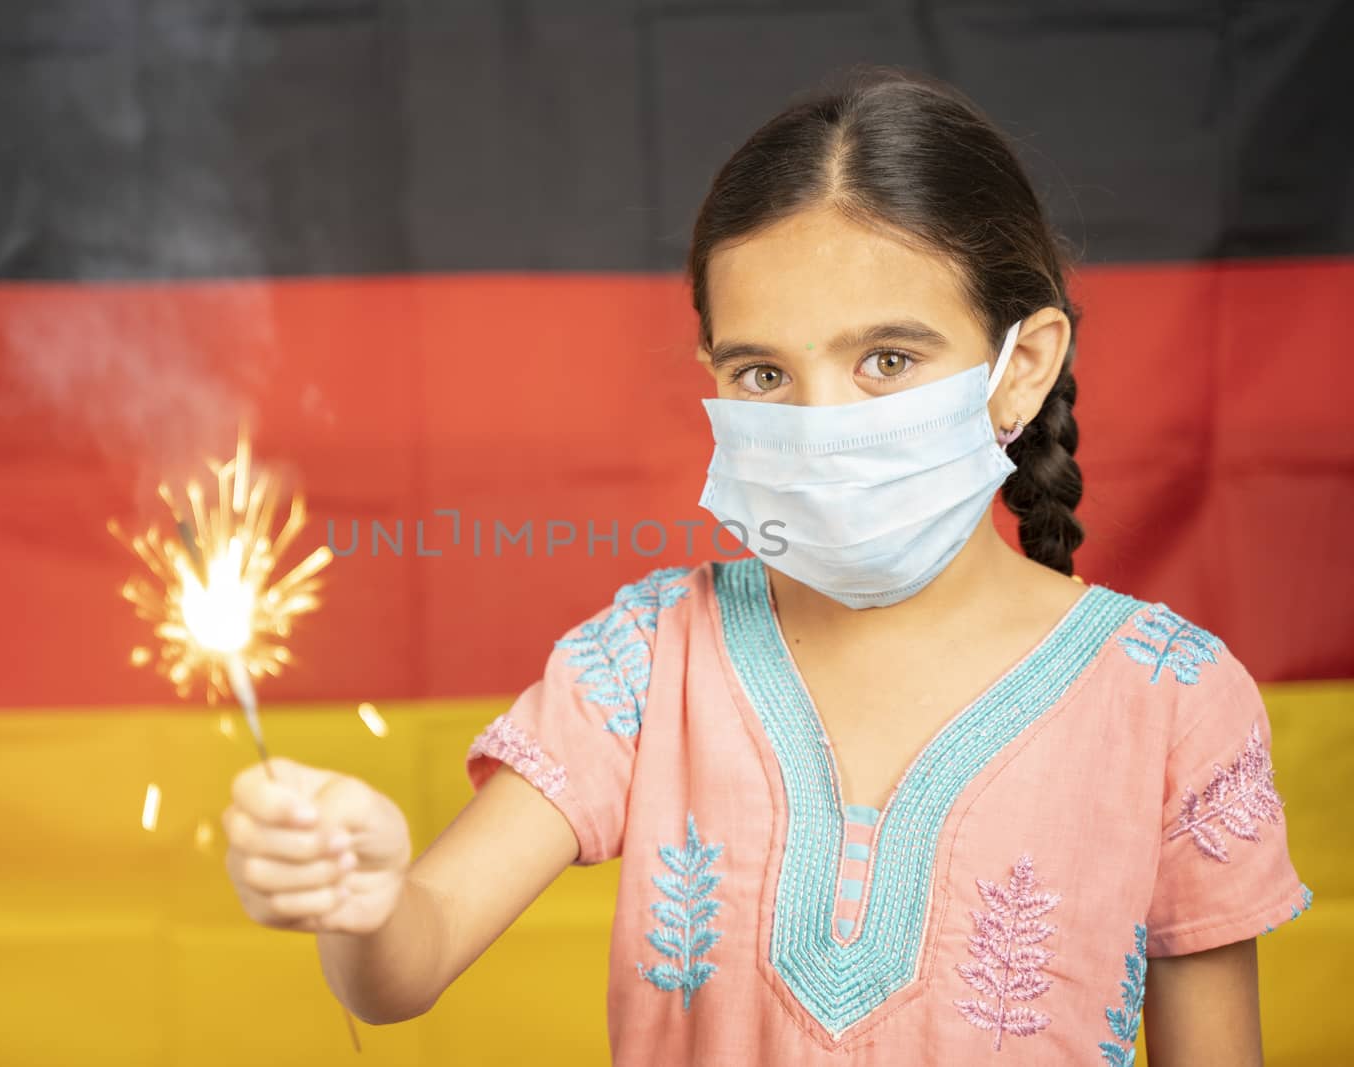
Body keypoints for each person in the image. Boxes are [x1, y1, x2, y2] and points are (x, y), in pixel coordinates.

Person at [221, 68, 1308, 1065]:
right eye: (762, 371)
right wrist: (358, 902)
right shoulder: (646, 661)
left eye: (887, 357)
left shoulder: (1172, 700)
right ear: (711, 378)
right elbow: (406, 963)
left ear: (1019, 365)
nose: (823, 421)